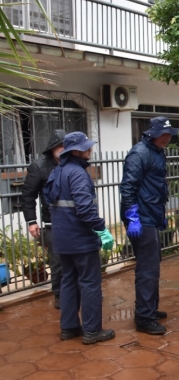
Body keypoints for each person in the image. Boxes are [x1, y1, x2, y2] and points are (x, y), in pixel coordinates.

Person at [43, 132, 115, 345]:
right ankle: (92, 331)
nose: (90, 150)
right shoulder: (77, 173)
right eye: (86, 147)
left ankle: (69, 328)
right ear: (75, 150)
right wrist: (101, 229)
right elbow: (84, 208)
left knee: (68, 282)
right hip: (81, 240)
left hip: (62, 240)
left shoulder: (58, 171)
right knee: (90, 283)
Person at [120, 116, 178, 335]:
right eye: (165, 135)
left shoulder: (156, 152)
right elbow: (128, 188)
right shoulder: (139, 154)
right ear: (153, 133)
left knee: (153, 265)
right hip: (141, 218)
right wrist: (132, 217)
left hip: (151, 215)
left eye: (169, 135)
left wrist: (160, 215)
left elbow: (155, 187)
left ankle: (148, 309)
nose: (168, 138)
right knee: (147, 268)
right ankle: (145, 318)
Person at [19, 129, 66, 309]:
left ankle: (79, 292)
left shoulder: (72, 163)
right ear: (52, 148)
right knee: (58, 261)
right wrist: (31, 222)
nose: (63, 149)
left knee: (78, 258)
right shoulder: (39, 166)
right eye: (59, 146)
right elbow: (28, 196)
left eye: (66, 146)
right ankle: (60, 295)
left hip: (73, 221)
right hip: (52, 222)